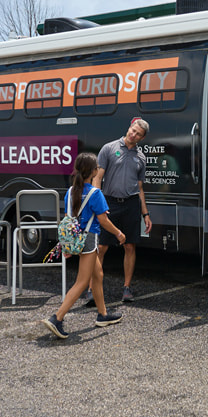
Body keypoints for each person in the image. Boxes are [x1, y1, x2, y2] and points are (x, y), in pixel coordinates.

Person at [42, 153, 125, 339]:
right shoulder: (96, 193)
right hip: (88, 240)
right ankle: (57, 318)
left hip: (74, 238)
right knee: (81, 282)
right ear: (94, 171)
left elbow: (67, 218)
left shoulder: (70, 191)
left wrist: (67, 245)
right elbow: (103, 221)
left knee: (98, 274)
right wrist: (119, 233)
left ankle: (103, 315)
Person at [89, 118, 152, 304]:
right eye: (133, 130)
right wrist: (97, 204)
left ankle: (126, 288)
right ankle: (92, 289)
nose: (133, 134)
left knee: (130, 246)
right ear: (129, 128)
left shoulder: (141, 158)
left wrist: (145, 214)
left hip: (131, 204)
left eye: (138, 134)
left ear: (142, 138)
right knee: (101, 247)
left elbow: (140, 188)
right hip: (109, 203)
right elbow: (97, 179)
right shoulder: (108, 148)